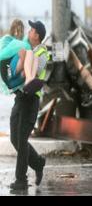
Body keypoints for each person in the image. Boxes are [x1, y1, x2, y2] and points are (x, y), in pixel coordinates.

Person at [9, 20, 50, 191]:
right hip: (20, 98)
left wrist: (23, 59)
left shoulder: (41, 53)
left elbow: (31, 76)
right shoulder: (30, 49)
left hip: (30, 99)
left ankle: (21, 180)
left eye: (32, 29)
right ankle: (38, 162)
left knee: (22, 139)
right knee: (14, 138)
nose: (29, 31)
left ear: (37, 35)